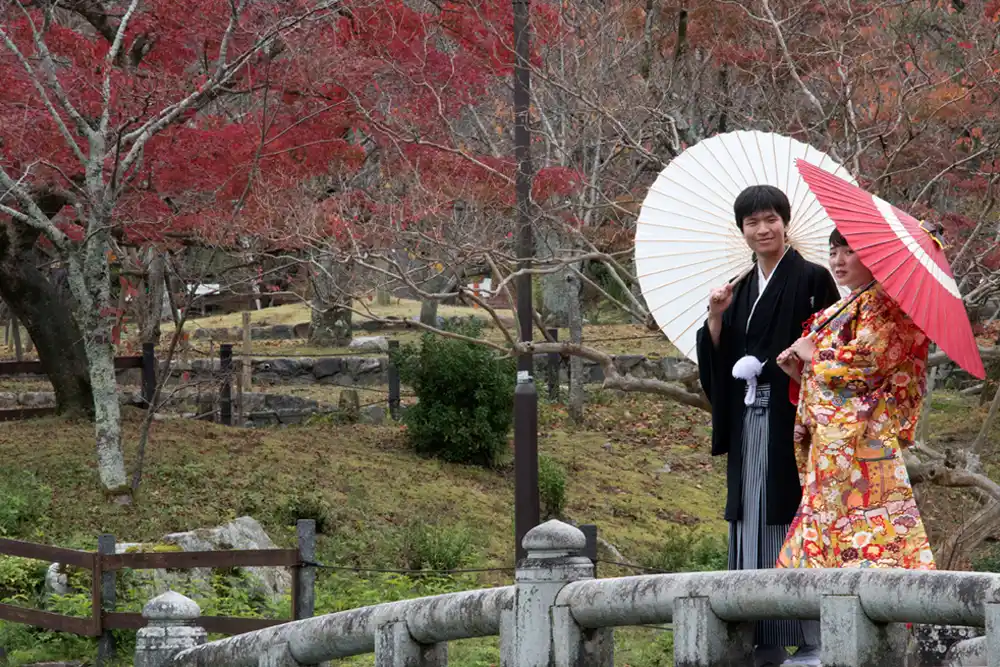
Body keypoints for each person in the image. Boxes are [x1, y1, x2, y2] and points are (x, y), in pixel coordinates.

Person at [697, 185, 840, 667]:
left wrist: (800, 359)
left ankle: (803, 632)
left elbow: (834, 346)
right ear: (742, 231)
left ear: (786, 222)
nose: (763, 230)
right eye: (752, 223)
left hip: (793, 419)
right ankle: (757, 630)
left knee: (789, 508)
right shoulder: (736, 290)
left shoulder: (815, 278)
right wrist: (715, 319)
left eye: (770, 220)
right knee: (748, 513)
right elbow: (717, 361)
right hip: (748, 419)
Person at [775, 229, 935, 572]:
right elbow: (831, 378)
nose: (838, 261)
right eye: (833, 252)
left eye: (849, 252)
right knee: (840, 519)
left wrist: (814, 356)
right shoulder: (852, 302)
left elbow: (869, 363)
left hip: (863, 435)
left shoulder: (883, 303)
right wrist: (799, 370)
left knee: (861, 524)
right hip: (837, 435)